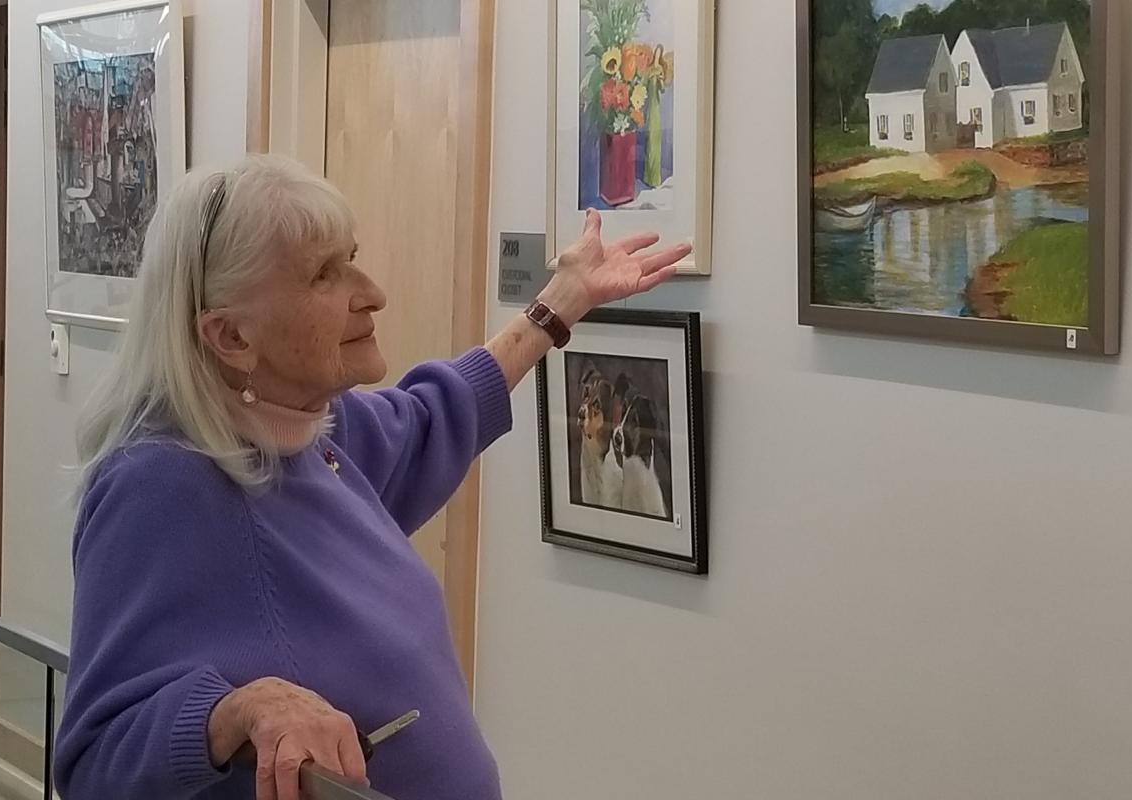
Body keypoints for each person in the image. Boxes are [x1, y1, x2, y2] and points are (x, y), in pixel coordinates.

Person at [52, 154, 691, 800]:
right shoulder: (160, 485)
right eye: (326, 274)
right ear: (231, 336)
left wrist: (560, 303)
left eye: (351, 257)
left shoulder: (315, 434)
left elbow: (435, 415)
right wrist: (236, 712)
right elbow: (95, 761)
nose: (372, 292)